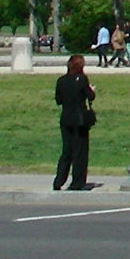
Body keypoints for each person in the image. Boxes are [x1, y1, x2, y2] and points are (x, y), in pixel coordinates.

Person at [53, 54, 96, 191]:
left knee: (67, 151)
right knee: (80, 152)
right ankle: (77, 182)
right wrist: (91, 90)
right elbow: (90, 96)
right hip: (80, 120)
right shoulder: (82, 79)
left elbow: (58, 100)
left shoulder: (61, 80)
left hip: (66, 118)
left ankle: (59, 180)